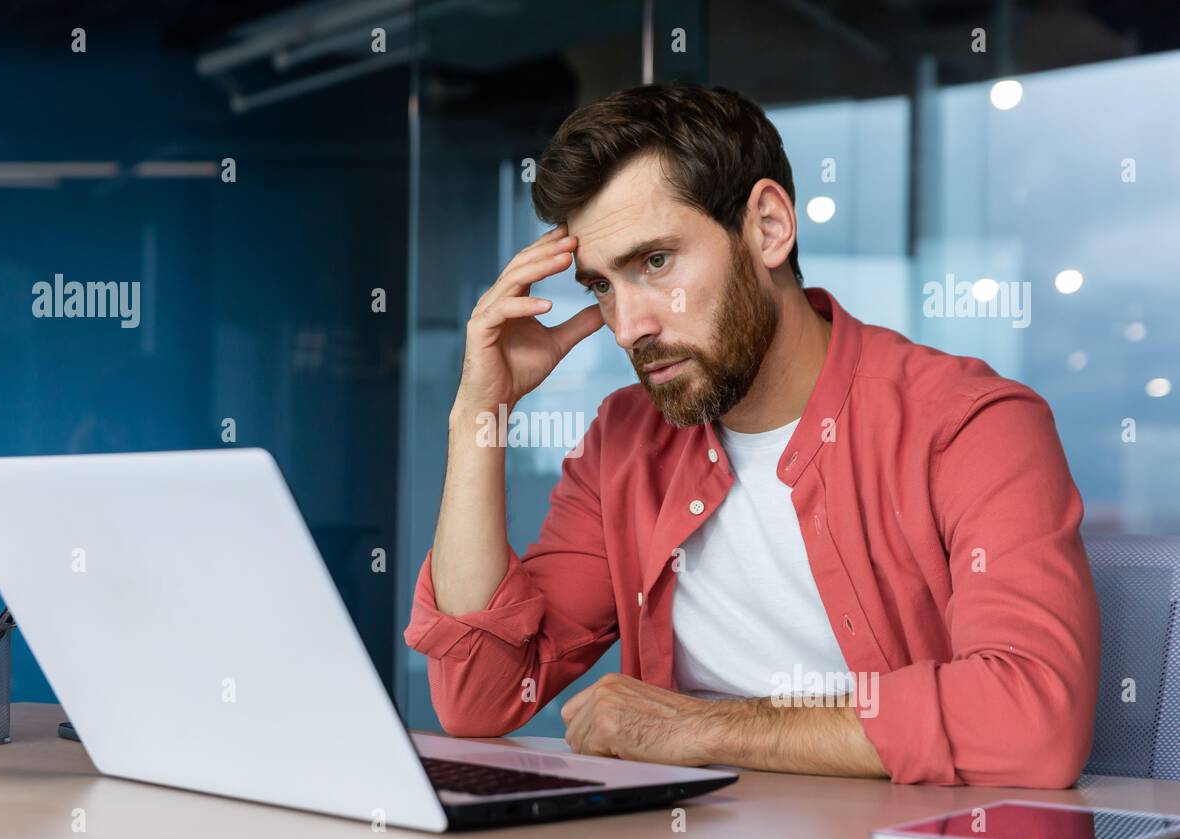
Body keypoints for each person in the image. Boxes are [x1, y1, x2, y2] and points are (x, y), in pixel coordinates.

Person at [404, 83, 1099, 787]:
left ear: (767, 226)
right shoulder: (624, 441)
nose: (628, 326)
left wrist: (697, 727)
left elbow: (1032, 723)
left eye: (655, 263)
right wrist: (477, 415)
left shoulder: (969, 423)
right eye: (602, 287)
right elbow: (481, 696)